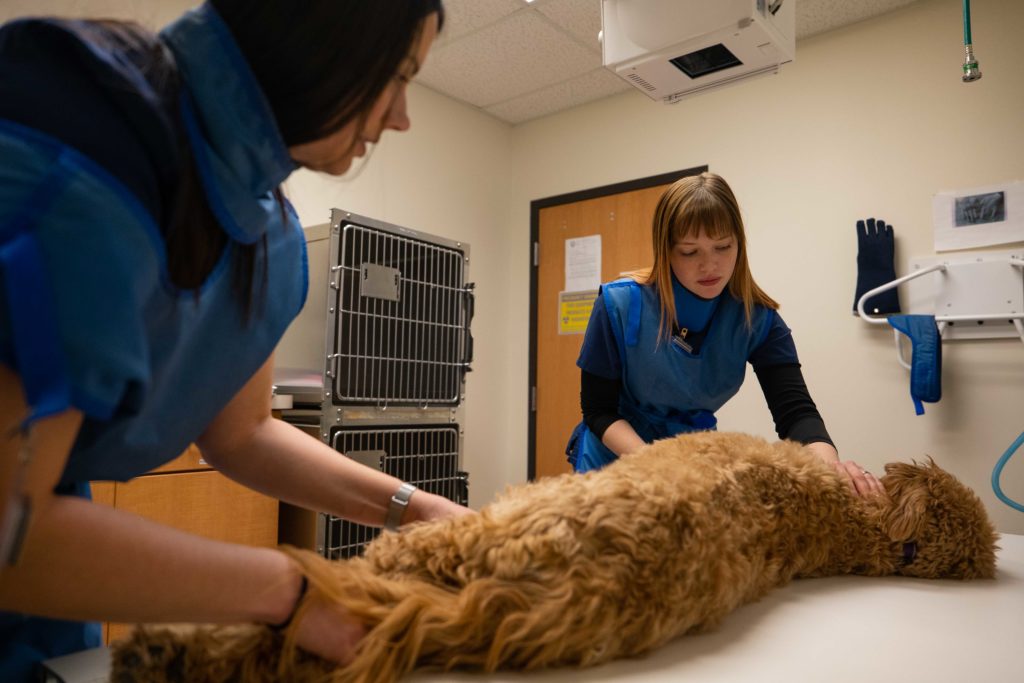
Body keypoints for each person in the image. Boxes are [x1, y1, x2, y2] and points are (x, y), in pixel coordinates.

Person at [0, 1, 471, 680]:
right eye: (395, 78)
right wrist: (293, 591)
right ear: (319, 43)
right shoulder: (80, 137)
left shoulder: (267, 239)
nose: (401, 117)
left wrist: (415, 507)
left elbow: (243, 432)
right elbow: (11, 533)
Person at [566, 172, 882, 496]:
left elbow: (796, 414)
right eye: (690, 252)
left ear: (739, 245)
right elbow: (598, 410)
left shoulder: (758, 320)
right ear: (666, 251)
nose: (710, 265)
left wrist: (831, 468)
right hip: (614, 460)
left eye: (722, 247)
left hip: (688, 462)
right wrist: (658, 465)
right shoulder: (618, 304)